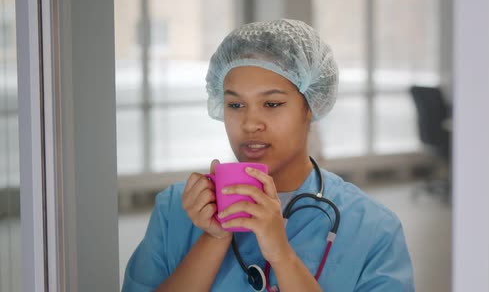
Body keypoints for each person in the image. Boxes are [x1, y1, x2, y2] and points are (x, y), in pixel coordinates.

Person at [122, 19, 414, 291]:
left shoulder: (372, 229)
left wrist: (281, 255)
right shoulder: (177, 209)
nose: (250, 124)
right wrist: (214, 238)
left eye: (272, 104)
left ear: (311, 104)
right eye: (235, 105)